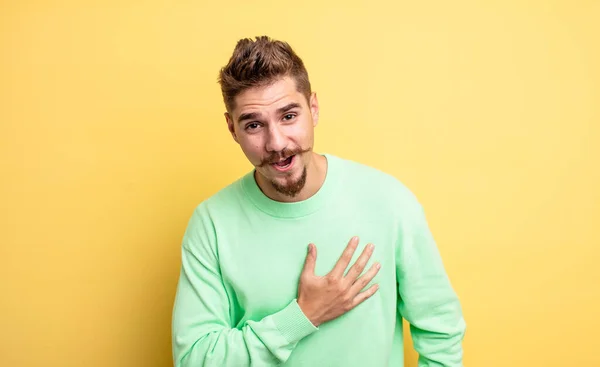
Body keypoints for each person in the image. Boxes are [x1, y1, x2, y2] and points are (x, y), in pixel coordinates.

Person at [171, 36, 466, 367]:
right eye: (254, 124)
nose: (276, 143)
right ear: (232, 128)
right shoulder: (211, 224)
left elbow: (441, 331)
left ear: (313, 109)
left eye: (288, 116)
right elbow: (194, 359)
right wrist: (302, 316)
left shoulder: (389, 202)